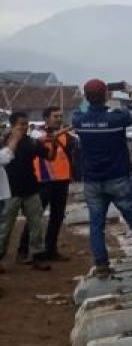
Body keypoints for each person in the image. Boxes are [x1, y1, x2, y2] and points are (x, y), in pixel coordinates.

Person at [72, 79, 132, 278]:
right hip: (118, 179)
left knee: (96, 225)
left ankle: (101, 265)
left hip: (93, 182)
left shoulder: (79, 120)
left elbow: (83, 108)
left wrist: (93, 98)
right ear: (106, 96)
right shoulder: (116, 119)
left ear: (86, 97)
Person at [17, 106, 76, 262]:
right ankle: (23, 251)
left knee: (57, 218)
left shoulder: (67, 136)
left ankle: (51, 250)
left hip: (62, 180)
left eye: (60, 116)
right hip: (43, 181)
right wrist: (55, 135)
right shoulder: (36, 133)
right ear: (46, 118)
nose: (59, 118)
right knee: (35, 217)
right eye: (55, 116)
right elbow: (40, 141)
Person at [0, 112, 51, 271]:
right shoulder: (4, 142)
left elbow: (49, 156)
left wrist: (52, 143)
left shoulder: (32, 142)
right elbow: (4, 158)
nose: (24, 127)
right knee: (5, 227)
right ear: (12, 125)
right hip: (10, 191)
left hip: (30, 188)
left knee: (36, 224)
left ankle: (37, 256)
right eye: (21, 124)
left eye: (26, 124)